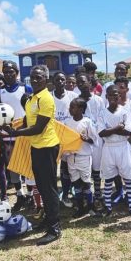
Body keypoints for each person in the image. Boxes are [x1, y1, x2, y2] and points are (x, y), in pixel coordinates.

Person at [2, 64, 61, 245]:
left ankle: (55, 228)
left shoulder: (46, 99)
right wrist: (11, 128)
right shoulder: (29, 99)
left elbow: (38, 128)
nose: (35, 80)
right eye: (32, 77)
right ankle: (48, 220)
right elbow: (27, 122)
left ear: (46, 80)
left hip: (48, 147)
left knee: (49, 188)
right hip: (36, 147)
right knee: (42, 187)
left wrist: (15, 133)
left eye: (39, 77)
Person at [98, 85, 131, 218]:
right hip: (108, 148)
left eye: (116, 95)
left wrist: (110, 130)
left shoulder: (125, 112)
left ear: (120, 96)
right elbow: (101, 133)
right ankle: (107, 207)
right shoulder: (102, 113)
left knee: (129, 178)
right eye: (110, 95)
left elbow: (129, 131)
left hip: (123, 147)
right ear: (106, 96)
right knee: (108, 179)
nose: (113, 97)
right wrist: (118, 127)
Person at [0, 60, 32, 212]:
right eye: (6, 72)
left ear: (17, 73)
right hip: (7, 135)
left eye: (11, 72)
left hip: (23, 132)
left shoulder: (25, 87)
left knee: (27, 165)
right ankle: (19, 194)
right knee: (13, 167)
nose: (9, 74)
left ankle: (30, 194)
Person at [64, 97, 98, 217]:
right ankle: (80, 207)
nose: (70, 109)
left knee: (86, 182)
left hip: (83, 156)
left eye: (73, 107)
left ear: (81, 109)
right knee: (76, 183)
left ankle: (91, 206)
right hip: (70, 157)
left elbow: (94, 139)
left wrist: (86, 139)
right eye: (70, 106)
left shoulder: (87, 122)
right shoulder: (67, 123)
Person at [76, 73, 105, 204]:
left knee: (96, 167)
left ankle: (98, 192)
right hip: (82, 140)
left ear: (89, 82)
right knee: (84, 168)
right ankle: (86, 193)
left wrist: (94, 134)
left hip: (96, 139)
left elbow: (102, 119)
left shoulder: (98, 100)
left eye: (83, 82)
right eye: (78, 82)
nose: (80, 84)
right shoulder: (76, 101)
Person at [51, 71, 78, 208]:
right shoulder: (49, 97)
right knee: (53, 168)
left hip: (69, 137)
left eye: (63, 79)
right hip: (52, 137)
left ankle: (67, 193)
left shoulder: (73, 96)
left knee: (67, 167)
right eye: (58, 80)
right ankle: (53, 195)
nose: (61, 82)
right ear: (53, 81)